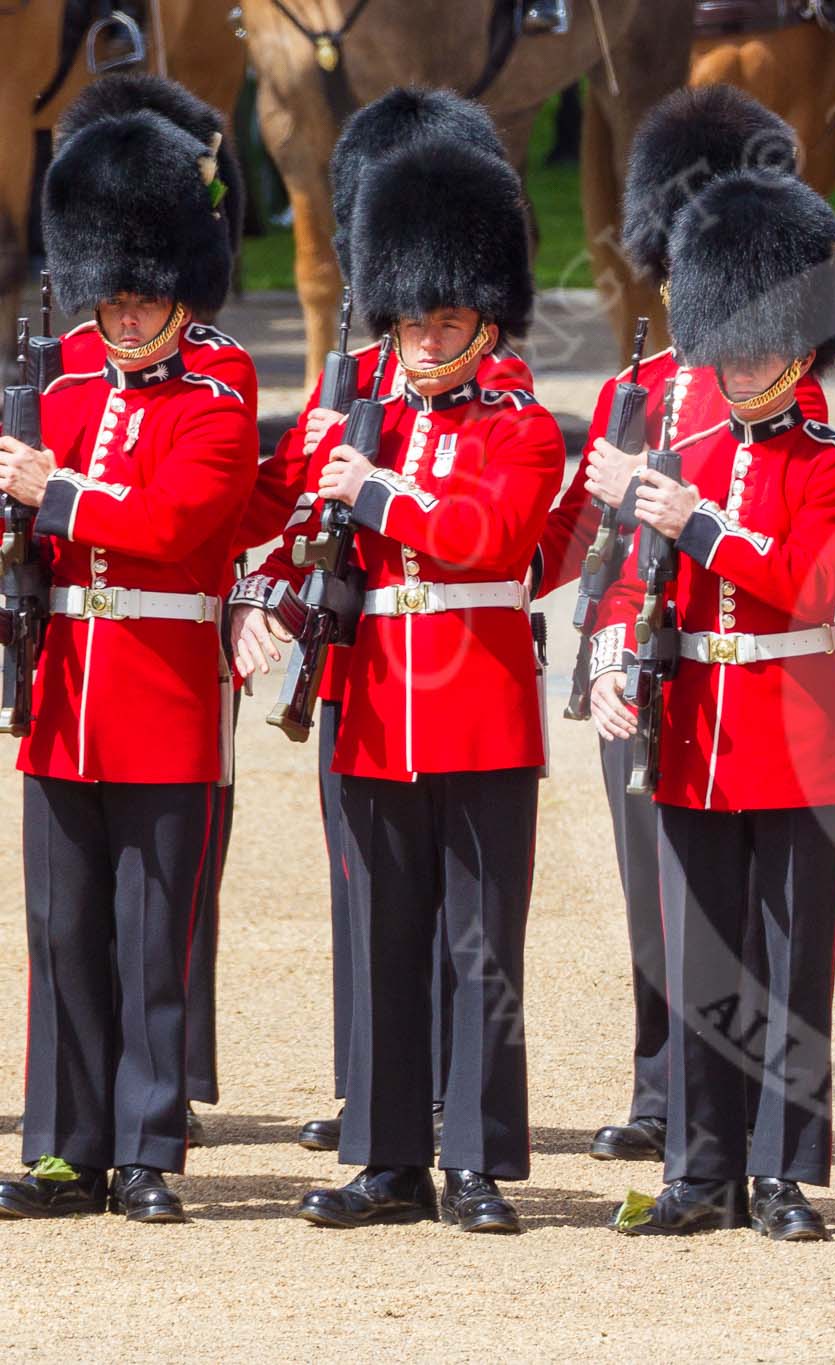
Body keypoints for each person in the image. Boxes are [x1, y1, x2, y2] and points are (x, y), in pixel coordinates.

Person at [234, 135, 559, 1234]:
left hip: (479, 707)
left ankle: (474, 1160)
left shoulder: (520, 429)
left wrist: (375, 491)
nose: (426, 338)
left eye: (446, 320)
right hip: (369, 706)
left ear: (486, 321)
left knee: (477, 943)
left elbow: (497, 538)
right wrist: (266, 584)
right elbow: (275, 519)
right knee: (379, 936)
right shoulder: (360, 415)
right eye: (412, 319)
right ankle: (385, 1161)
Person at [539, 84, 823, 1167]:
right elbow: (588, 548)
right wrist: (606, 641)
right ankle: (663, 1087)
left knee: (742, 906)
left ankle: (741, 1093)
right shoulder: (641, 388)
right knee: (649, 891)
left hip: (732, 672)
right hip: (638, 672)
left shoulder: (779, 398)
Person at [592, 165, 835, 1242]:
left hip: (793, 737)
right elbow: (630, 582)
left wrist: (700, 522)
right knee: (700, 960)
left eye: (762, 342)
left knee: (790, 962)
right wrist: (618, 656)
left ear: (800, 348)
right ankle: (699, 1170)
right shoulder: (686, 449)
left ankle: (784, 1174)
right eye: (731, 340)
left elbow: (807, 585)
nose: (743, 363)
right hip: (692, 733)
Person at [0, 97, 257, 1222]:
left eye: (142, 289)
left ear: (178, 283)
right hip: (63, 697)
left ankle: (147, 1148)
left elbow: (170, 524)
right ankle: (65, 1147)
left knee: (152, 937)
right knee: (60, 934)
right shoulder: (55, 386)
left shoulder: (221, 390)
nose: (124, 307)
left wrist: (48, 492)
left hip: (161, 694)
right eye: (108, 288)